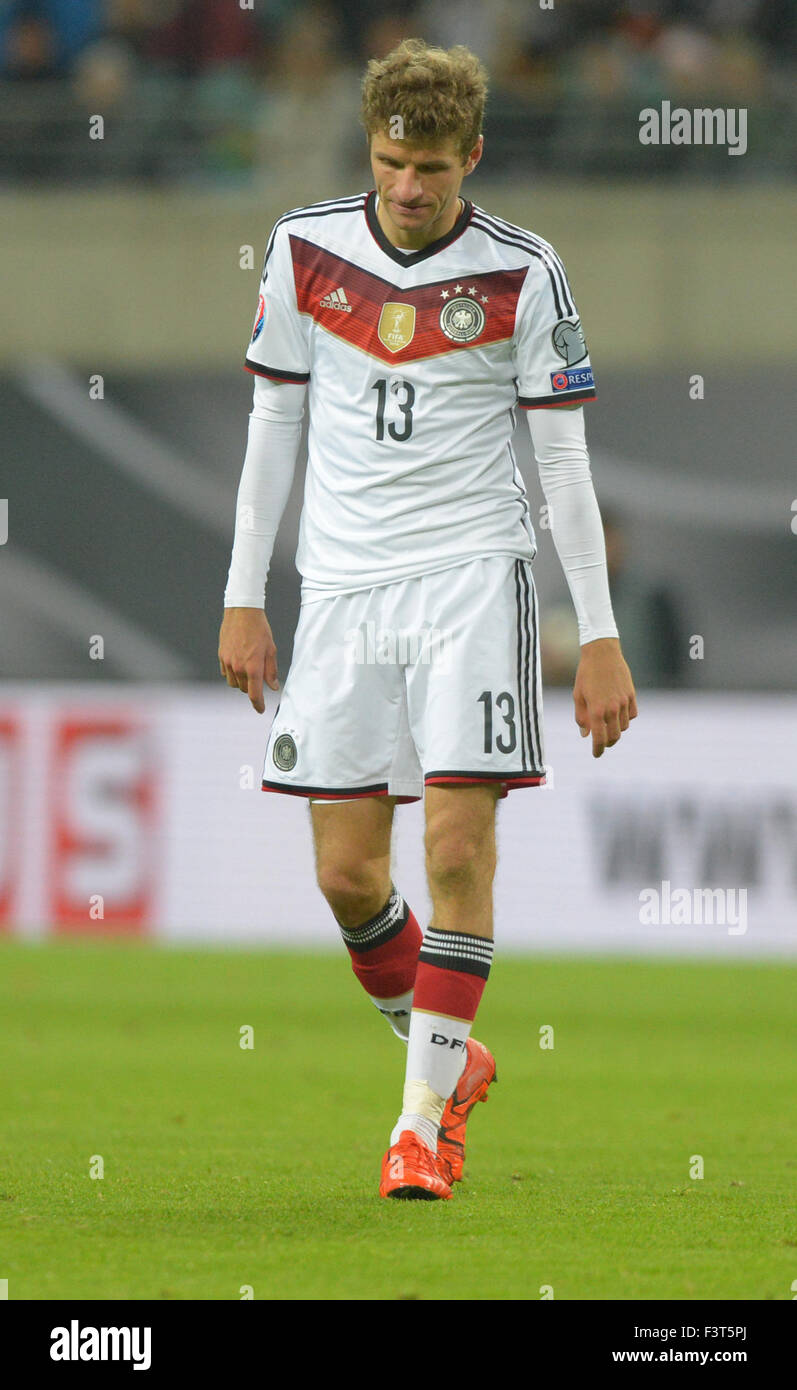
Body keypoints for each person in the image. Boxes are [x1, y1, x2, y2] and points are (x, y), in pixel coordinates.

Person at [219, 38, 637, 1201]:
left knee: (456, 847)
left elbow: (561, 464)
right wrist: (243, 594)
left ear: (472, 158)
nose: (409, 189)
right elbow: (271, 431)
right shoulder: (305, 251)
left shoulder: (522, 271)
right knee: (348, 878)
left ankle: (417, 1124)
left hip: (470, 576)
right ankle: (447, 1052)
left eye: (433, 169)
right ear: (371, 148)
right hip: (342, 590)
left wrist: (594, 630)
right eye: (393, 163)